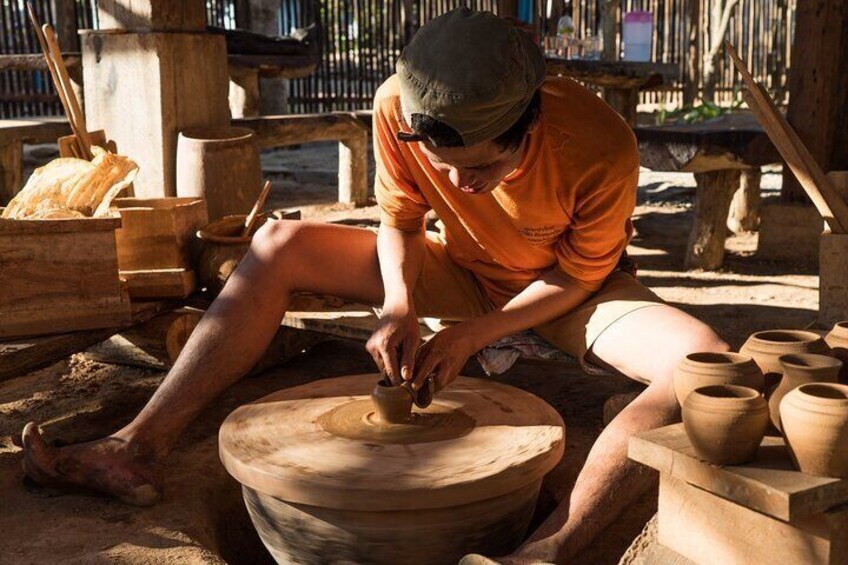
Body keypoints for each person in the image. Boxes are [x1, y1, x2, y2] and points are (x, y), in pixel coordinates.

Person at [21, 8, 729, 564]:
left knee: (704, 364)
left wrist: (477, 333)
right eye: (442, 163)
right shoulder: (398, 105)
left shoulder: (600, 144)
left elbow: (579, 273)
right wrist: (400, 303)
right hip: (457, 268)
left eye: (479, 170)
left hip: (563, 290)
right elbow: (400, 218)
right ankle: (137, 443)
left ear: (531, 123)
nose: (457, 183)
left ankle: (547, 548)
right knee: (276, 243)